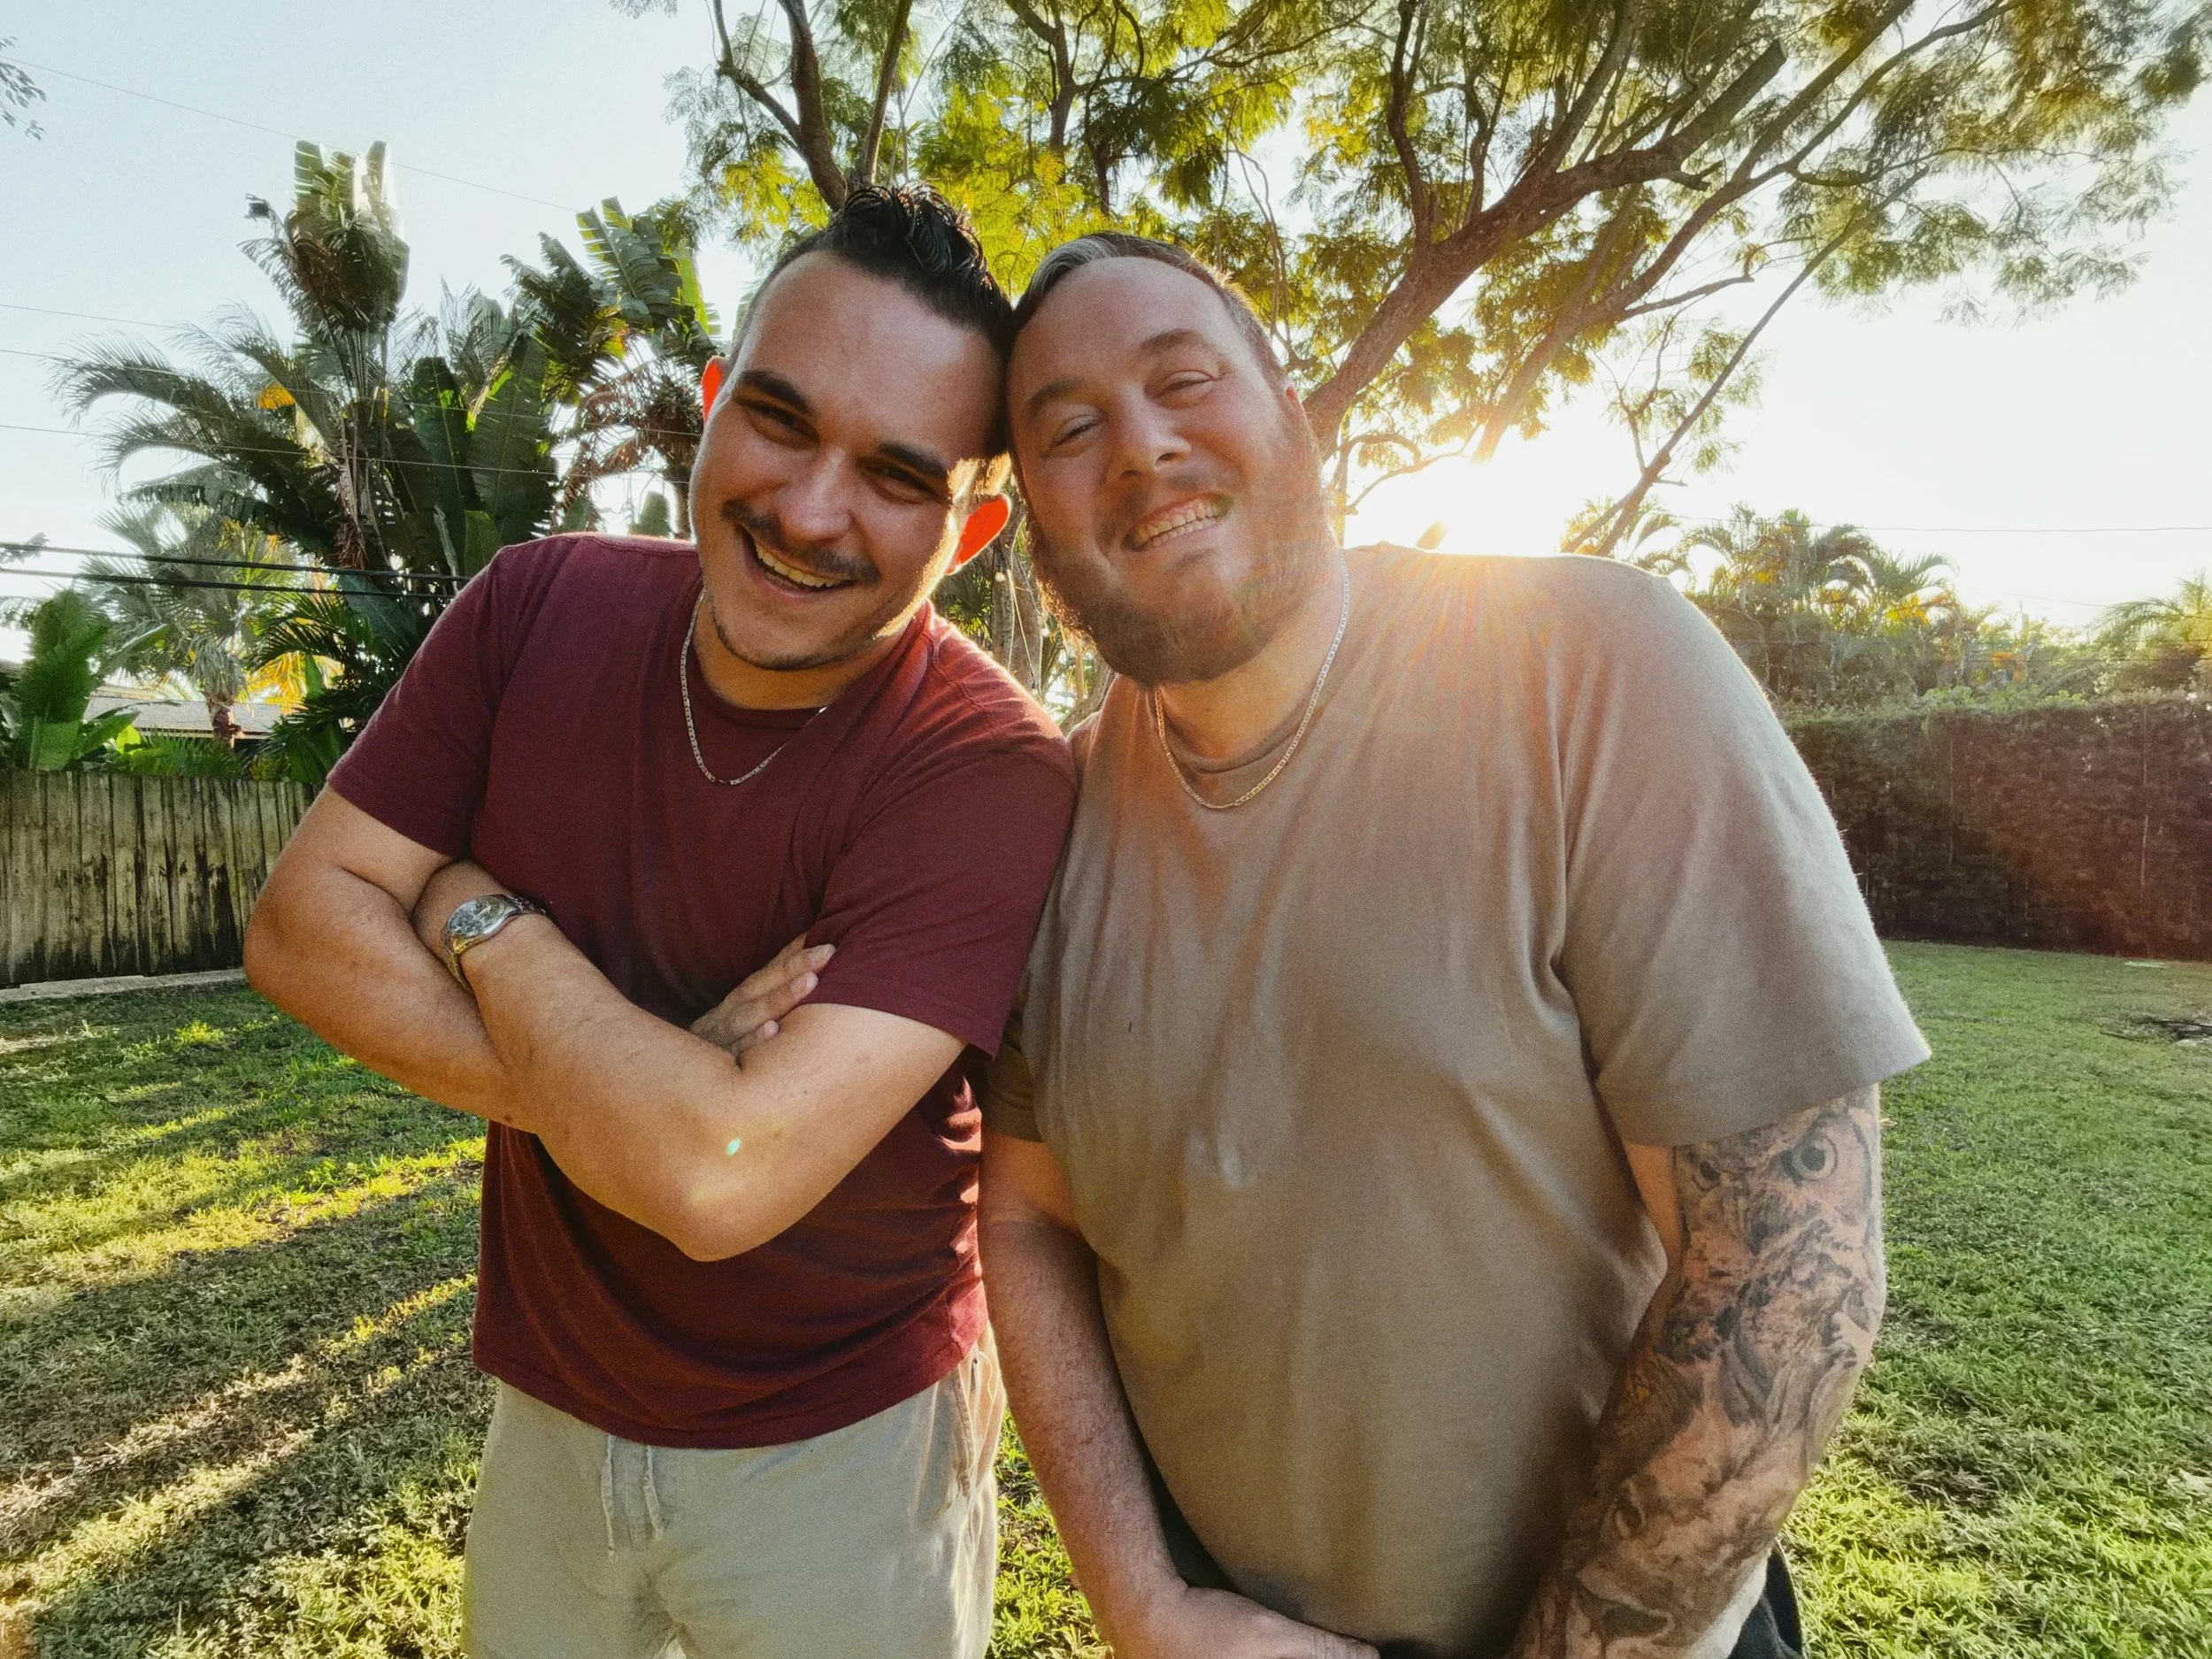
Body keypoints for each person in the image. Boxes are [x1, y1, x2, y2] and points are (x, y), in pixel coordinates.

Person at [976, 234, 1930, 1659]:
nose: (1142, 447)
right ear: (1029, 527)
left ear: (1292, 408)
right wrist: (1147, 1604)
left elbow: (1791, 1266)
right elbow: (1030, 1217)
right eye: (1069, 430)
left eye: (1185, 379)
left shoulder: (1587, 664)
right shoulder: (1055, 814)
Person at [244, 186, 1077, 1659]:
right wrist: (628, 1083)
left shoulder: (987, 765)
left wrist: (475, 910)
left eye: (896, 474)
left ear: (978, 525)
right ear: (709, 405)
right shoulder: (533, 606)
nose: (811, 510)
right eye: (778, 419)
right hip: (547, 1414)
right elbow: (302, 928)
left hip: (844, 1453)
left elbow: (711, 1174)